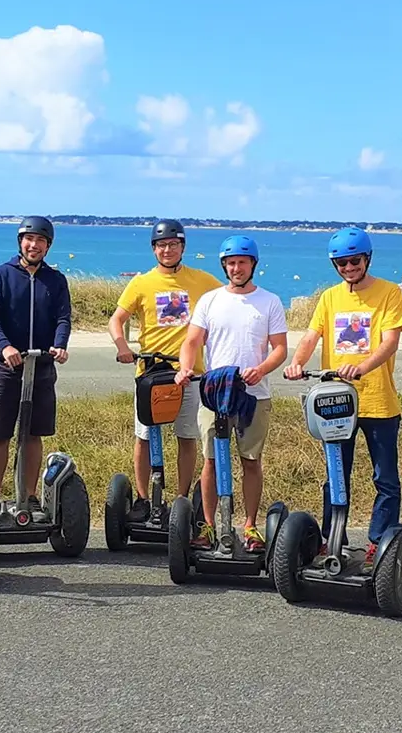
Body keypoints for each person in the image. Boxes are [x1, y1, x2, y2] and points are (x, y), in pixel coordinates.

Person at [284, 226, 402, 567]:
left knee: (385, 477)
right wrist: (296, 363)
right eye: (341, 263)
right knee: (336, 474)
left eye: (354, 261)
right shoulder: (330, 297)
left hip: (378, 401)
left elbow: (390, 341)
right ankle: (330, 539)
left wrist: (363, 365)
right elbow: (312, 335)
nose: (348, 268)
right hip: (336, 402)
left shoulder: (389, 293)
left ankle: (378, 542)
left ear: (367, 259)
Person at [176, 235, 287, 551]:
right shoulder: (210, 301)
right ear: (224, 266)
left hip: (255, 393)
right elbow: (192, 342)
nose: (236, 268)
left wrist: (262, 369)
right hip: (214, 392)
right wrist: (185, 368)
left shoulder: (269, 302)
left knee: (250, 460)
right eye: (231, 263)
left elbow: (280, 348)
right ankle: (209, 526)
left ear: (253, 264)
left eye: (242, 262)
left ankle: (251, 526)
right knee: (211, 461)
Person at [109, 219, 220, 519]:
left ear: (182, 247)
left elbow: (228, 304)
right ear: (153, 249)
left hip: (190, 374)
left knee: (186, 437)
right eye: (161, 245)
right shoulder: (141, 283)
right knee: (145, 436)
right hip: (149, 371)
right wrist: (122, 346)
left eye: (173, 244)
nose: (167, 250)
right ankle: (145, 499)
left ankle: (182, 500)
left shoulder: (203, 281)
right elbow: (117, 319)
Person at [0, 216, 72, 517]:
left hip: (41, 367)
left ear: (48, 246)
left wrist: (59, 344)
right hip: (5, 368)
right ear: (20, 242)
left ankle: (30, 496)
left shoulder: (55, 280)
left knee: (33, 435)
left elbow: (63, 317)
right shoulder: (0, 275)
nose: (34, 245)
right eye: (29, 239)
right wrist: (5, 346)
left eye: (40, 241)